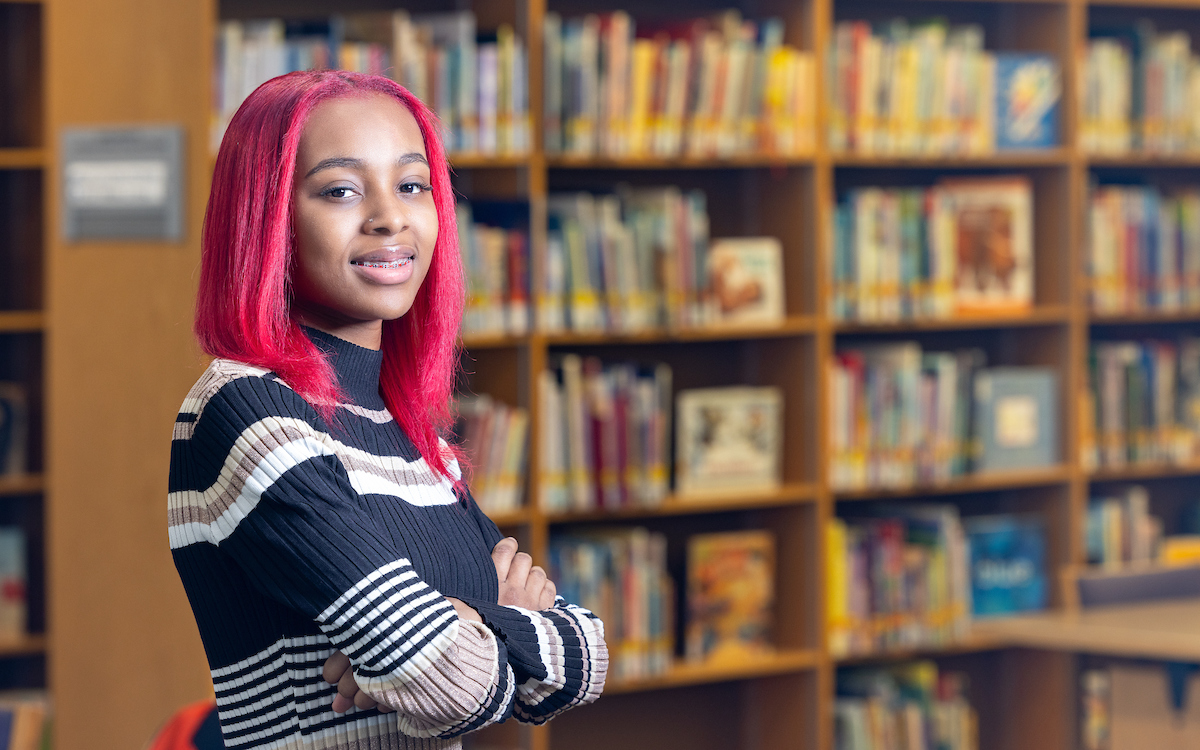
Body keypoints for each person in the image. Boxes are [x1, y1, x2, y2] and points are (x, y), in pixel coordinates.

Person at [168, 69, 607, 750]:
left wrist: (469, 624)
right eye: (341, 190)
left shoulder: (401, 427)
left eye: (412, 185)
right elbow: (449, 683)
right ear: (268, 218)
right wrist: (502, 622)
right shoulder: (246, 412)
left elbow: (591, 652)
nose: (390, 218)